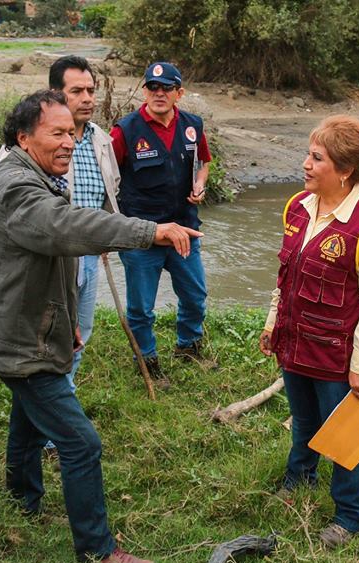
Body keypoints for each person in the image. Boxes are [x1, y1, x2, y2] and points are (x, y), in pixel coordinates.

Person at [0, 90, 200, 563]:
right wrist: (148, 231)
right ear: (24, 138)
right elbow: (64, 229)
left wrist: (67, 321)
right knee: (80, 442)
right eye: (57, 133)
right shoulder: (15, 187)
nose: (70, 142)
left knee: (28, 422)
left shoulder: (39, 176)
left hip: (30, 328)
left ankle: (21, 502)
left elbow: (51, 259)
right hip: (15, 339)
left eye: (72, 133)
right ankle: (96, 549)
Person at [259, 115, 359, 549]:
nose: (305, 164)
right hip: (296, 340)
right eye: (308, 154)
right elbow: (286, 276)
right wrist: (272, 324)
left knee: (345, 437)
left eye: (317, 158)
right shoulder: (298, 207)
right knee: (303, 420)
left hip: (337, 354)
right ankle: (299, 479)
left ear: (345, 171)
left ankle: (351, 514)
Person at [0, 55, 119, 394]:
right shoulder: (24, 148)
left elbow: (111, 188)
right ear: (54, 93)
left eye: (91, 90)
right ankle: (56, 411)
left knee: (79, 333)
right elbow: (4, 205)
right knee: (46, 336)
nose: (88, 98)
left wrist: (103, 236)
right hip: (47, 258)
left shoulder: (100, 140)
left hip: (87, 256)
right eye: (76, 90)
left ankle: (62, 396)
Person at [109, 61, 213, 384]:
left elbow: (204, 162)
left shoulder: (193, 125)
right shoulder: (124, 131)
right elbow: (107, 179)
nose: (158, 93)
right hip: (142, 235)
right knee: (141, 309)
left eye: (166, 88)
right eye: (152, 87)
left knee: (195, 296)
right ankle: (148, 363)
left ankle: (189, 346)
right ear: (144, 91)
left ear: (178, 93)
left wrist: (200, 184)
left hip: (184, 229)